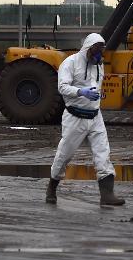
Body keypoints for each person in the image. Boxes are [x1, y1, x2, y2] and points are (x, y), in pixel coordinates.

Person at [45, 33, 125, 206]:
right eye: (96, 50)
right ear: (88, 48)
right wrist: (81, 92)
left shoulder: (98, 65)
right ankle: (52, 186)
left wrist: (93, 96)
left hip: (95, 116)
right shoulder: (70, 63)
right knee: (64, 155)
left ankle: (107, 195)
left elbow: (98, 84)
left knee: (103, 154)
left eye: (101, 51)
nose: (99, 55)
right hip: (75, 117)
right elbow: (62, 87)